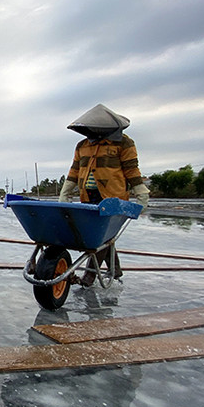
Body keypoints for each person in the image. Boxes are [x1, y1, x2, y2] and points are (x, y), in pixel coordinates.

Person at [58, 104, 149, 286]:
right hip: (88, 196)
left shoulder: (124, 143)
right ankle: (116, 269)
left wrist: (141, 191)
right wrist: (65, 192)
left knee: (101, 236)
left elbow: (131, 170)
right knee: (105, 235)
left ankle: (89, 276)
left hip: (113, 197)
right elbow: (74, 171)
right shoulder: (83, 145)